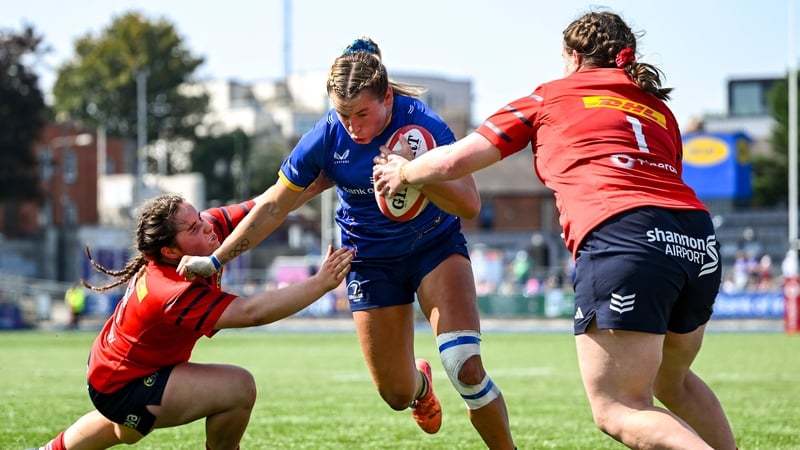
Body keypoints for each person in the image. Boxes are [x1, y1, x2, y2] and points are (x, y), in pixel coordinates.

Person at [372, 10, 737, 450]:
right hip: (696, 238)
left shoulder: (550, 96)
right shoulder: (658, 110)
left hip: (624, 233)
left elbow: (454, 161)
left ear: (571, 56)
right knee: (673, 381)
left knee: (618, 408)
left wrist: (406, 172)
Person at [178, 37, 516, 449]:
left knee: (464, 366)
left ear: (387, 97)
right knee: (395, 394)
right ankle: (420, 385)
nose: (354, 127)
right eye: (343, 115)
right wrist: (215, 260)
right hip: (370, 262)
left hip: (435, 248)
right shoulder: (325, 137)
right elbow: (272, 207)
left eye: (362, 114)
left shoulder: (422, 125)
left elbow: (470, 204)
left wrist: (412, 174)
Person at [29, 193, 353, 450]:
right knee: (238, 389)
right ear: (170, 251)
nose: (208, 225)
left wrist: (324, 174)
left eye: (199, 217)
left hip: (110, 371)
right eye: (194, 228)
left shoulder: (202, 235)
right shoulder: (170, 289)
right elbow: (250, 312)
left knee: (124, 431)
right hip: (122, 385)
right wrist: (319, 283)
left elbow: (272, 204)